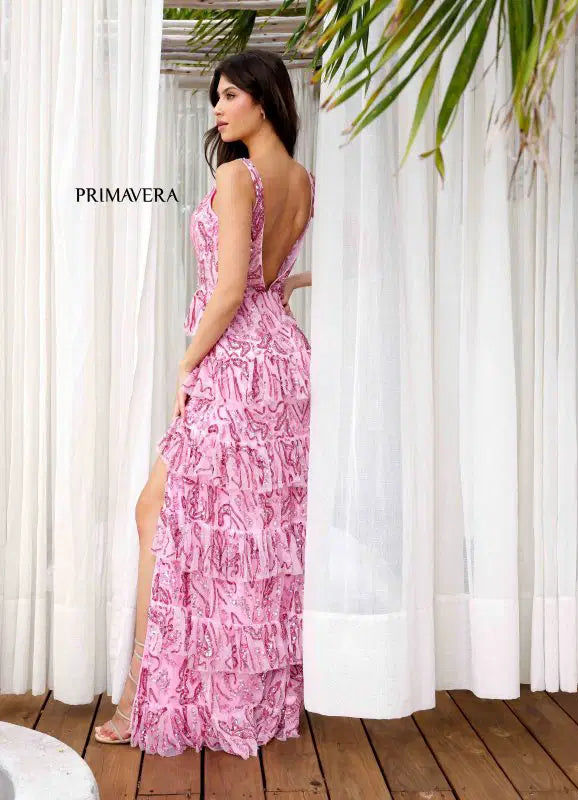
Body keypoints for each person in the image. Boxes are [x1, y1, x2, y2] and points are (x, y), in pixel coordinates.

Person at [93, 49, 315, 759]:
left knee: (168, 516)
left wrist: (187, 364)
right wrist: (291, 286)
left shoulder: (237, 174)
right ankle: (235, 700)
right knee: (244, 536)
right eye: (215, 97)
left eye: (228, 96)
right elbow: (272, 276)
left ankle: (144, 700)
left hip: (234, 364)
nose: (217, 109)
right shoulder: (302, 180)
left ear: (263, 100)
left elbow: (228, 289)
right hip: (282, 359)